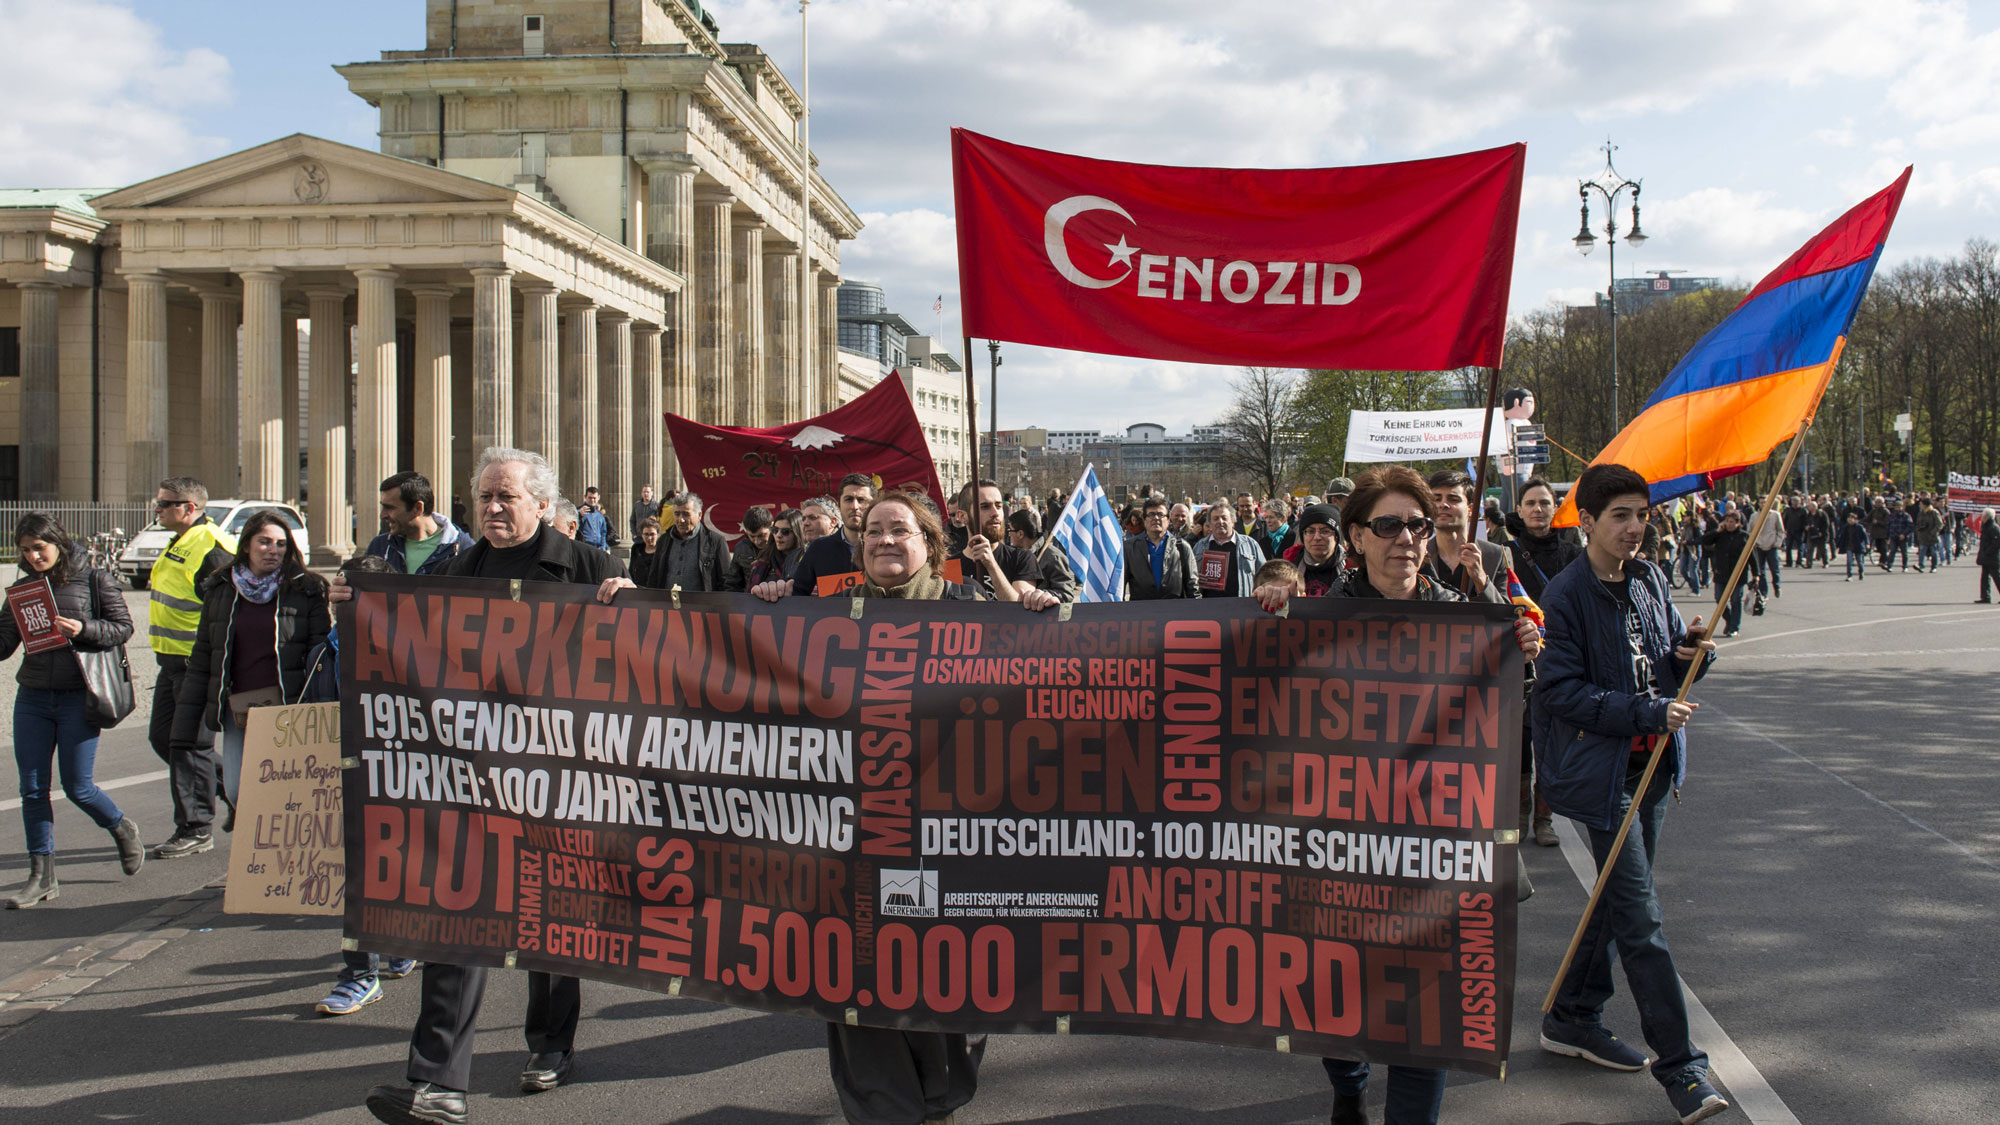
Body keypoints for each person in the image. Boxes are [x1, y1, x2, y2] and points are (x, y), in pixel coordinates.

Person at [1251, 466, 1542, 1125]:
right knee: (1337, 1008)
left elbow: (1493, 722)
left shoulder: (1465, 619)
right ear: (1357, 536)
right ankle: (1349, 1082)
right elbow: (1255, 694)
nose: (1408, 537)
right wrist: (1267, 600)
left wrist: (1515, 649)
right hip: (1339, 851)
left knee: (1425, 1020)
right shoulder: (1316, 617)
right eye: (1389, 525)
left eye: (1419, 523)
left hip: (1433, 854)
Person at [752, 489, 1051, 1124]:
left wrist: (1038, 610)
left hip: (948, 840)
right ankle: (882, 1108)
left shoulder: (973, 612)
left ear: (931, 546)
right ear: (859, 549)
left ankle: (937, 1096)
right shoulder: (825, 614)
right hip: (852, 838)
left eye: (902, 530)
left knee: (942, 975)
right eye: (875, 533)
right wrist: (771, 607)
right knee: (854, 973)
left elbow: (1052, 673)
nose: (887, 540)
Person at [358, 447, 633, 1125]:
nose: (493, 508)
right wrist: (358, 611)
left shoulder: (590, 566)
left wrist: (633, 604)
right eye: (484, 497)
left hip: (562, 774)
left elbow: (646, 661)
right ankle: (436, 1082)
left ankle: (550, 1043)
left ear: (542, 503)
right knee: (457, 915)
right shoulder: (460, 569)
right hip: (474, 778)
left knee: (550, 918)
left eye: (506, 496)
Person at [1534, 462, 1727, 1125]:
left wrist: (1692, 652)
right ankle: (1684, 1072)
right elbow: (1559, 692)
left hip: (1654, 771)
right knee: (1641, 920)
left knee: (1617, 906)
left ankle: (1571, 1014)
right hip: (1605, 775)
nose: (1635, 527)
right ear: (1586, 521)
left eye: (1642, 514)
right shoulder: (1566, 594)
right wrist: (1647, 714)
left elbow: (1662, 659)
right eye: (1620, 515)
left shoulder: (1645, 578)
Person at [1, 513, 143, 908]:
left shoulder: (95, 578)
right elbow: (3, 643)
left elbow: (123, 627)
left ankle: (120, 826)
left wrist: (84, 630)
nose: (33, 556)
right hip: (32, 697)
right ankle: (41, 876)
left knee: (77, 786)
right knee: (32, 788)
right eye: (26, 550)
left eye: (39, 548)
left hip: (79, 696)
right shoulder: (23, 588)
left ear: (58, 543)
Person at [171, 508, 332, 822]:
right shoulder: (220, 589)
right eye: (265, 542)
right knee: (236, 791)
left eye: (281, 544)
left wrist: (319, 705)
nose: (273, 550)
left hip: (290, 709)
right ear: (246, 545)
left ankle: (270, 865)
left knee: (287, 795)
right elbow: (204, 655)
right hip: (240, 711)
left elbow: (320, 655)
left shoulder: (307, 589)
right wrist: (185, 726)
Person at [309, 553, 417, 1016]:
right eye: (343, 591)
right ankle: (358, 974)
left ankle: (402, 939)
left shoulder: (414, 650)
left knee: (399, 866)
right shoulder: (326, 650)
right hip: (347, 775)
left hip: (401, 776)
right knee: (358, 873)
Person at [145, 476, 237, 860]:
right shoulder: (182, 540)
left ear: (189, 508)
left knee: (187, 744)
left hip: (196, 666)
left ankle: (196, 827)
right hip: (172, 664)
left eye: (165, 503)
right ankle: (240, 793)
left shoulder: (212, 548)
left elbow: (227, 611)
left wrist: (213, 665)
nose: (158, 508)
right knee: (164, 737)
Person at [953, 480, 1059, 608]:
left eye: (998, 506)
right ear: (962, 516)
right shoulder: (950, 566)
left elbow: (1017, 610)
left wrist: (991, 565)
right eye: (985, 507)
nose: (995, 513)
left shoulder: (1021, 558)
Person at [785, 474, 876, 596]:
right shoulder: (818, 549)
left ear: (874, 505)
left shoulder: (887, 547)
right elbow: (796, 594)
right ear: (839, 505)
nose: (855, 506)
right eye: (848, 499)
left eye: (862, 500)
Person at [368, 471, 474, 576]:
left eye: (390, 508)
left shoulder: (464, 550)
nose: (382, 515)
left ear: (418, 508)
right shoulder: (380, 546)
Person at [1506, 477, 1582, 602]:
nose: (1537, 509)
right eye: (1530, 503)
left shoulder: (1575, 555)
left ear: (1555, 510)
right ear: (1519, 511)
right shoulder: (1505, 554)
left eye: (1544, 503)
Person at [1124, 496, 1200, 600]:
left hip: (1174, 612)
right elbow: (1120, 585)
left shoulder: (1182, 547)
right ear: (1144, 520)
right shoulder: (1129, 547)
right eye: (1151, 515)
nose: (1156, 518)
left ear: (1168, 520)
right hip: (1141, 612)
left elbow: (1192, 586)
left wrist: (1196, 612)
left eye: (1160, 514)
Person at [1191, 501, 1266, 597]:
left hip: (1242, 604)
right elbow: (1191, 578)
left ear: (1233, 521)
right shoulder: (1199, 546)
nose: (1220, 521)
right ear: (1210, 524)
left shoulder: (1250, 544)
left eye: (1224, 518)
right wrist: (1197, 578)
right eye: (1215, 519)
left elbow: (1264, 575)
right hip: (1208, 606)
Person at [1005, 507, 1080, 603]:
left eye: (1010, 530)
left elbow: (1066, 593)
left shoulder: (1053, 557)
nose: (1009, 535)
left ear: (1020, 534)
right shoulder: (1015, 554)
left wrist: (1039, 595)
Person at [660, 491, 728, 592]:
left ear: (699, 515)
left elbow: (726, 581)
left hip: (703, 606)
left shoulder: (716, 542)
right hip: (667, 605)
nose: (681, 520)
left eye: (686, 514)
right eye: (677, 514)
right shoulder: (663, 541)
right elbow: (655, 578)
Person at [1700, 509, 1750, 637]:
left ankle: (1734, 627)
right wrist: (1717, 531)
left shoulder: (1744, 536)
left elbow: (1751, 556)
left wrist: (1756, 574)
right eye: (1727, 521)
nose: (1729, 524)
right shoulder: (1720, 535)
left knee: (1735, 600)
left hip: (1737, 574)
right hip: (1721, 573)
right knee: (1719, 599)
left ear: (1738, 523)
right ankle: (1729, 620)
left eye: (1732, 522)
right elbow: (1705, 540)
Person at [1282, 503, 1346, 595]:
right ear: (1303, 536)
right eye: (1310, 531)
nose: (1317, 537)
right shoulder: (1287, 568)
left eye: (1325, 531)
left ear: (1336, 536)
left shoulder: (1355, 569)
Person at [749, 509, 805, 587]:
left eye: (785, 531)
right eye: (775, 530)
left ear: (798, 533)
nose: (778, 535)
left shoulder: (808, 560)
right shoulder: (764, 560)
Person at [724, 506, 773, 592]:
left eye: (762, 535)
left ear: (771, 526)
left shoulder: (781, 545)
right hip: (749, 600)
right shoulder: (741, 548)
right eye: (752, 536)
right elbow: (732, 583)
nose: (757, 541)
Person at [1750, 500, 1782, 599]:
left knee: (1774, 569)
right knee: (1760, 571)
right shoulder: (1754, 516)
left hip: (1771, 545)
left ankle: (1777, 586)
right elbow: (1750, 530)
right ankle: (1764, 592)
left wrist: (1777, 543)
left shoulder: (1775, 515)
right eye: (1761, 502)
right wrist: (1753, 543)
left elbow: (1780, 530)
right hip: (1759, 546)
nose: (1763, 504)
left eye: (1765, 502)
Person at [628, 516, 667, 588]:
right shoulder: (636, 549)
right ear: (642, 535)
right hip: (639, 590)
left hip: (656, 591)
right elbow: (631, 571)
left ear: (658, 535)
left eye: (652, 534)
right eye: (646, 534)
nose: (649, 538)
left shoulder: (663, 551)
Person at [575, 486, 615, 552]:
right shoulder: (579, 511)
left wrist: (603, 547)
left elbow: (603, 533)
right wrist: (579, 515)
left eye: (594, 498)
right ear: (585, 497)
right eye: (590, 498)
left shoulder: (600, 515)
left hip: (598, 549)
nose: (592, 500)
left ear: (598, 497)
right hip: (584, 548)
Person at [1839, 510, 1871, 581]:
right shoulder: (1845, 527)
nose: (1850, 520)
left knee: (1859, 561)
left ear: (1855, 519)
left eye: (1852, 518)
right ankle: (1849, 575)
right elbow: (1842, 537)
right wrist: (1839, 545)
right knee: (1849, 561)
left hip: (1858, 546)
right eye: (1849, 518)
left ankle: (1861, 572)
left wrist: (1867, 543)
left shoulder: (1859, 527)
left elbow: (1865, 536)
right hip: (1849, 546)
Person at [1977, 507, 1999, 603]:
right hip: (1986, 556)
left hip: (1992, 557)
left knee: (1997, 577)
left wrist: (1987, 552)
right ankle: (1985, 597)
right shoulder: (1985, 526)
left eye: (1983, 515)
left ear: (1987, 516)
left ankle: (1986, 596)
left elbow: (1997, 543)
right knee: (1985, 578)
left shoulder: (1994, 527)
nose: (1982, 517)